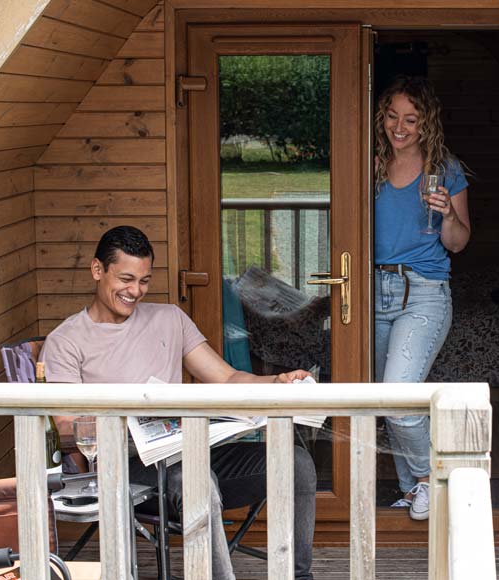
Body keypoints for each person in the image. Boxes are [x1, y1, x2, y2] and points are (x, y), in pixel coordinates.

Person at [41, 226, 317, 580]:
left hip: (191, 448)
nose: (135, 291)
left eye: (144, 281)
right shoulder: (66, 341)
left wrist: (276, 383)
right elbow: (67, 429)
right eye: (126, 279)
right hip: (130, 467)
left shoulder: (169, 318)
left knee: (296, 462)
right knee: (198, 482)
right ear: (98, 270)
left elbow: (228, 378)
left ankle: (299, 576)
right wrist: (134, 416)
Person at [373, 76, 470, 521]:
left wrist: (448, 211)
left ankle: (433, 478)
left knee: (398, 395)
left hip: (424, 292)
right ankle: (416, 489)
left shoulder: (444, 169)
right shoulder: (371, 163)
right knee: (389, 404)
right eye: (393, 116)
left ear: (425, 122)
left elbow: (457, 243)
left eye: (410, 119)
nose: (400, 126)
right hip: (370, 291)